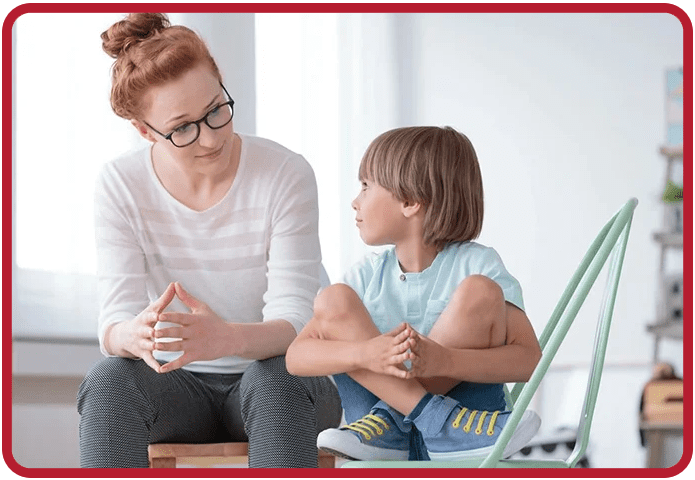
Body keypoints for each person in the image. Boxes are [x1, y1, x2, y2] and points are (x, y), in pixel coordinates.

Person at [77, 13, 341, 468]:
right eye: (182, 128)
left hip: (279, 383)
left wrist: (226, 338)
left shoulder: (285, 173)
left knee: (277, 378)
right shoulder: (120, 184)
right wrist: (133, 335)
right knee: (109, 381)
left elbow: (295, 324)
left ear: (221, 83)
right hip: (177, 389)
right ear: (145, 131)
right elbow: (113, 323)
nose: (212, 138)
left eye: (217, 109)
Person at [286, 126, 543, 461]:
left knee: (480, 291)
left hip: (469, 440)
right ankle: (423, 421)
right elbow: (296, 357)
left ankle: (399, 420)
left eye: (366, 186)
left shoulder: (478, 266)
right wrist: (367, 353)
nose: (355, 200)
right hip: (379, 442)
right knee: (333, 298)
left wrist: (446, 360)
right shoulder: (363, 278)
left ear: (409, 201)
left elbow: (529, 361)